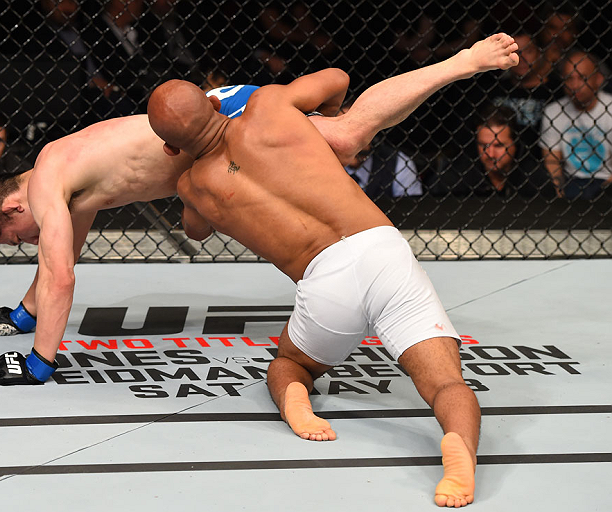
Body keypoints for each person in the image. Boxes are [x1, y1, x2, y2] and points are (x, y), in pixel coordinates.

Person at [145, 34, 518, 508]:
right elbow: (337, 78)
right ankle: (458, 448)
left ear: (169, 146)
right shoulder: (271, 104)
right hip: (381, 251)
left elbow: (195, 232)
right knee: (446, 384)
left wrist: (185, 164)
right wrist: (329, 119)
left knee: (290, 365)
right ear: (215, 103)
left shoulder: (193, 187)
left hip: (325, 283)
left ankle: (296, 401)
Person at [430, 104, 554, 198]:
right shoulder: (456, 177)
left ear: (515, 143)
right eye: (484, 145)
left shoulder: (536, 178)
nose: (490, 154)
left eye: (499, 146)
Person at [540, 50, 611, 199]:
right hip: (571, 181)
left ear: (598, 79)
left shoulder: (610, 108)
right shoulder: (553, 111)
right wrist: (560, 191)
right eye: (569, 78)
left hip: (607, 180)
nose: (575, 85)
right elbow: (552, 160)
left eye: (582, 78)